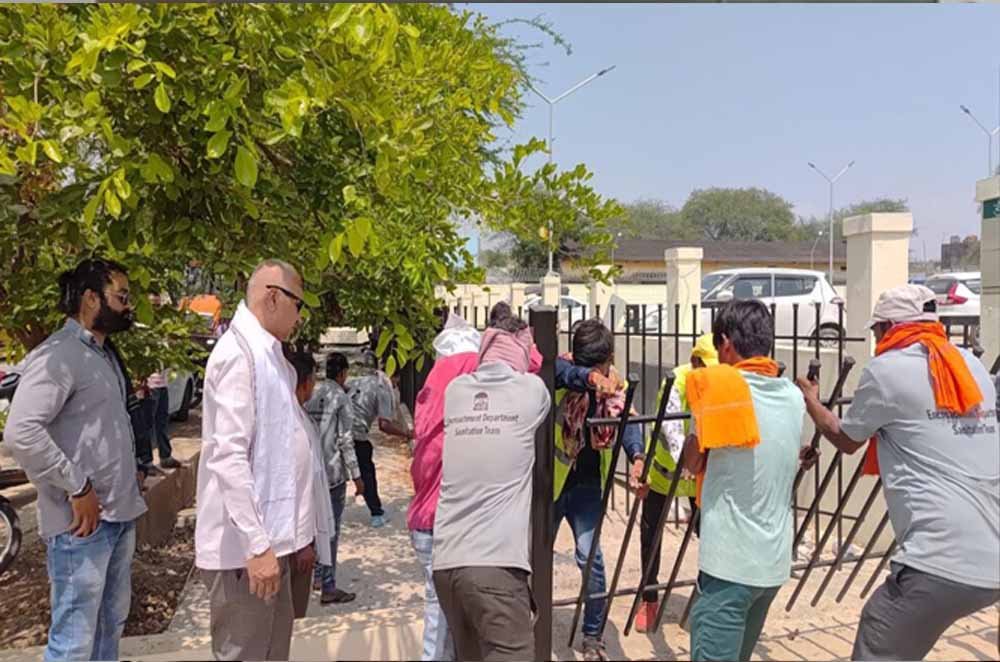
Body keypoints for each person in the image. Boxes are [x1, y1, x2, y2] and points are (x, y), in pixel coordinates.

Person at [795, 284, 999, 661]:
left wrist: (810, 401)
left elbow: (847, 439)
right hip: (992, 554)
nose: (876, 340)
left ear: (889, 327)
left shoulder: (888, 369)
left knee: (880, 632)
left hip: (939, 559)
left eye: (877, 331)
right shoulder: (970, 365)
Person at [6, 258, 147, 662]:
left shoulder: (102, 354)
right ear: (91, 299)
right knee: (74, 642)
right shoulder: (60, 355)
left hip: (117, 516)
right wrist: (78, 486)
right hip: (81, 527)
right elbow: (21, 432)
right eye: (121, 297)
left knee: (109, 627)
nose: (128, 307)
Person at [195, 259, 316, 661]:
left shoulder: (270, 356)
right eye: (298, 305)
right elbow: (228, 456)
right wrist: (257, 543)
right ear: (273, 297)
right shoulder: (239, 355)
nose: (300, 317)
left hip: (272, 545)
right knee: (247, 652)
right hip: (247, 553)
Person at [681, 300, 805, 662]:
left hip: (729, 564)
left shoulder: (719, 388)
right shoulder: (793, 396)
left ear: (726, 344)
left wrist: (697, 421)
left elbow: (693, 462)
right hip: (772, 564)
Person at [432, 315, 552, 661]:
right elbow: (534, 375)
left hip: (447, 564)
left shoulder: (456, 392)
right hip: (495, 565)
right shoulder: (532, 392)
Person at [555, 318, 648, 661]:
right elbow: (564, 373)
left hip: (588, 487)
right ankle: (529, 621)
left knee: (591, 559)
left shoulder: (616, 386)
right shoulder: (561, 371)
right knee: (532, 559)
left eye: (601, 366)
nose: (599, 372)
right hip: (551, 486)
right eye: (589, 366)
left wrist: (637, 457)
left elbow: (627, 421)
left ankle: (593, 636)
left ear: (611, 357)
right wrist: (590, 378)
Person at [635, 333, 717, 633]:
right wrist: (687, 461)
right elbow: (671, 429)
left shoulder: (719, 384)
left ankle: (706, 599)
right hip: (665, 472)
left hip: (700, 475)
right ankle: (649, 598)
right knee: (651, 535)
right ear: (695, 362)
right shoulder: (675, 382)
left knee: (710, 535)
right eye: (706, 368)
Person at [306, 351, 364, 605]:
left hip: (312, 471)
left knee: (315, 526)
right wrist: (357, 475)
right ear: (343, 373)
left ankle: (318, 576)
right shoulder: (341, 398)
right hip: (333, 474)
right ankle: (328, 585)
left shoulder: (313, 394)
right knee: (331, 529)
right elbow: (346, 440)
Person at [284, 347, 336, 620]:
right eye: (313, 381)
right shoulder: (288, 424)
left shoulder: (299, 417)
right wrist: (303, 543)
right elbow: (297, 486)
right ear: (304, 382)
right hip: (294, 542)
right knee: (291, 616)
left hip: (301, 538)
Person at [348, 352, 411, 528]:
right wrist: (406, 434)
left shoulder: (361, 380)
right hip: (357, 434)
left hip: (340, 430)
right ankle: (376, 513)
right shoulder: (383, 388)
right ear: (395, 378)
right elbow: (384, 425)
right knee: (367, 471)